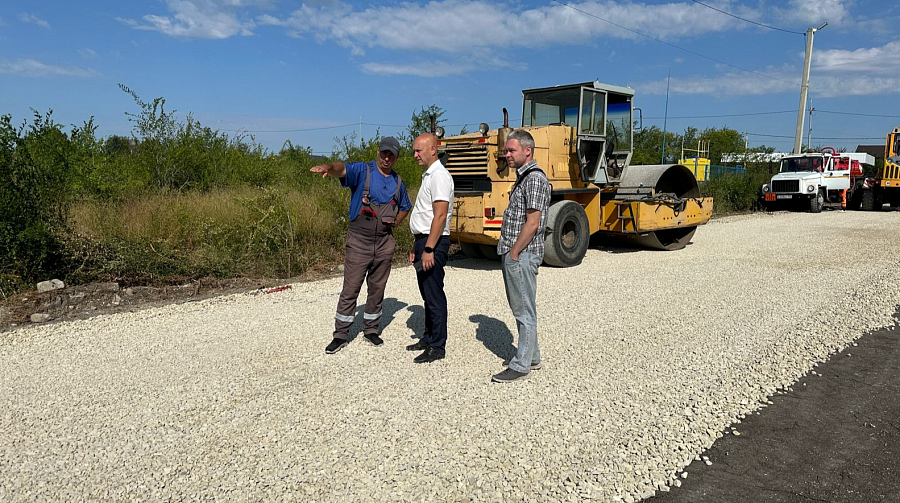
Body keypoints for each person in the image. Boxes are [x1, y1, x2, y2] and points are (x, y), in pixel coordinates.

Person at [310, 137, 413, 354]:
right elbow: (342, 169)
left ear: (396, 157)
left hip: (384, 244)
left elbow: (406, 206)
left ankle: (371, 330)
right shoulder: (362, 171)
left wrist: (396, 221)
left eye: (391, 155)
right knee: (351, 289)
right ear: (378, 152)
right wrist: (329, 167)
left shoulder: (398, 182)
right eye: (384, 153)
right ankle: (340, 335)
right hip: (359, 242)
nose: (386, 158)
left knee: (377, 290)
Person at [491, 130, 551, 383]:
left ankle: (521, 364)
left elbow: (533, 222)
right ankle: (532, 356)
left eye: (511, 150)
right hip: (518, 253)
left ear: (528, 151)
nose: (506, 155)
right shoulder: (523, 178)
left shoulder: (534, 179)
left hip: (523, 255)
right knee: (524, 307)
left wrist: (514, 252)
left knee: (523, 310)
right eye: (506, 150)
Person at [406, 133, 454, 363]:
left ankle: (437, 346)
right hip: (424, 240)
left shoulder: (439, 176)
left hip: (432, 242)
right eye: (414, 150)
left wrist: (429, 249)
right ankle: (428, 337)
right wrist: (417, 246)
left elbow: (440, 215)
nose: (415, 155)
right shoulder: (429, 176)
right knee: (426, 293)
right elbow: (425, 214)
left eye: (419, 150)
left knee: (434, 294)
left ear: (433, 149)